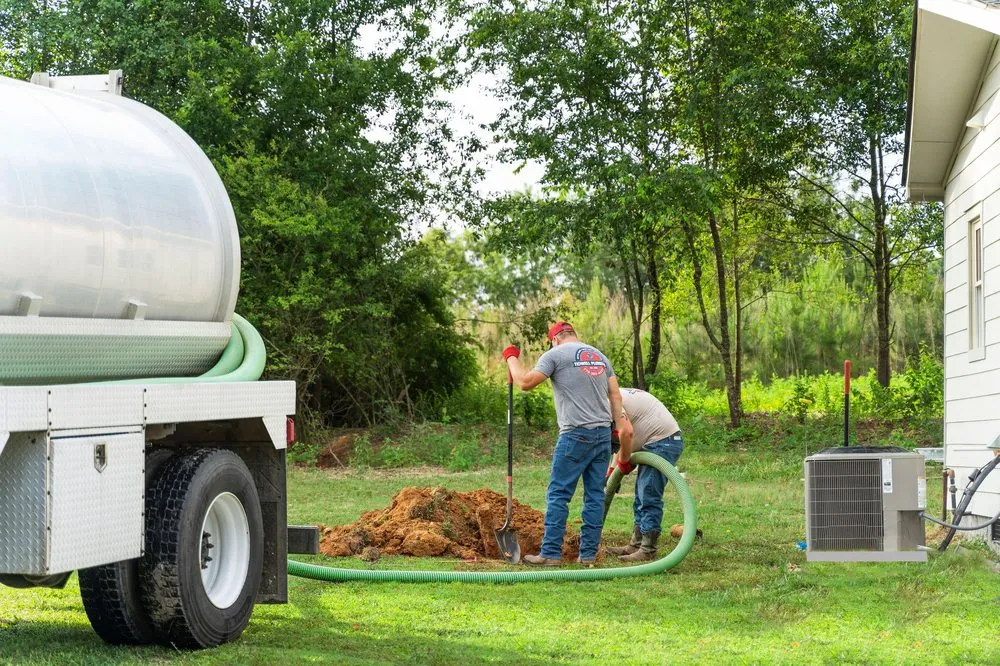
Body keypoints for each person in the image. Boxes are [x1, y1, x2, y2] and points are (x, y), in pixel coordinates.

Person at [503, 322, 629, 565]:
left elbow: (525, 383)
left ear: (555, 339)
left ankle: (550, 553)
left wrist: (511, 358)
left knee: (559, 494)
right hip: (603, 434)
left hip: (575, 436)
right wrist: (616, 428)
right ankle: (588, 556)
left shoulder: (555, 355)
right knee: (594, 496)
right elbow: (615, 395)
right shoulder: (599, 356)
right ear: (573, 335)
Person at [605, 387, 683, 562]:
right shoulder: (613, 394)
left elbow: (627, 433)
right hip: (657, 441)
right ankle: (636, 544)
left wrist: (623, 464)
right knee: (641, 496)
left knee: (648, 495)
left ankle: (648, 549)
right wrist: (612, 471)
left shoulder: (610, 400)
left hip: (663, 442)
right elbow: (623, 437)